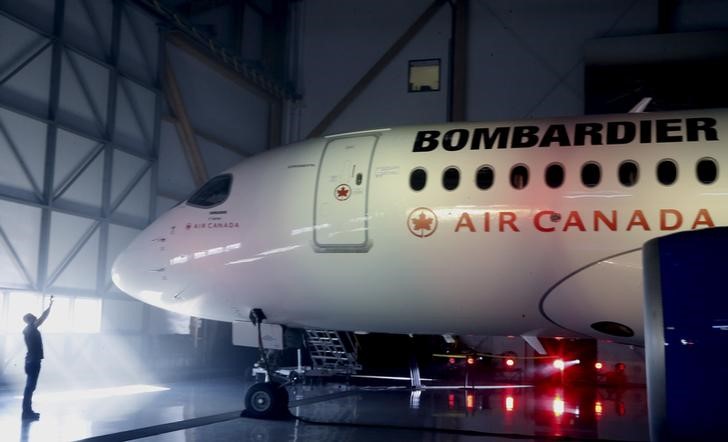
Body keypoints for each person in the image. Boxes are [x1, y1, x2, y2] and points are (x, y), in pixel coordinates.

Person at [21, 295, 53, 421]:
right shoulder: (32, 328)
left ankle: (27, 411)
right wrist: (50, 306)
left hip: (30, 361)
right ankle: (27, 412)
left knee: (30, 387)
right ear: (30, 320)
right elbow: (43, 317)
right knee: (30, 387)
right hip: (33, 361)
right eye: (33, 317)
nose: (35, 317)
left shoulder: (27, 329)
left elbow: (41, 318)